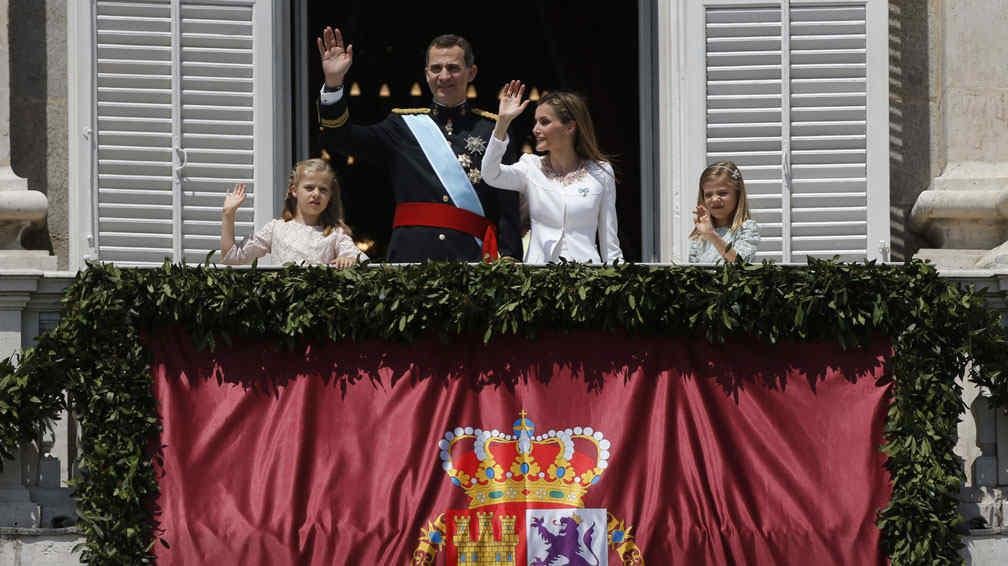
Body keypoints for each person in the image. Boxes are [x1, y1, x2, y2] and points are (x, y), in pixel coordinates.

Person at [315, 27, 521, 262]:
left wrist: (509, 258)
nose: (444, 76)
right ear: (426, 74)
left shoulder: (493, 129)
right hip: (411, 259)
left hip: (471, 259)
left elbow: (508, 205)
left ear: (471, 72)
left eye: (453, 68)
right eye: (436, 68)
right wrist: (333, 83)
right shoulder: (401, 126)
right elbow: (340, 138)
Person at [480, 82, 622, 264]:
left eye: (544, 122)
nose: (535, 130)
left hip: (586, 280)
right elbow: (490, 174)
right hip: (539, 278)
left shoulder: (600, 172)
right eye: (536, 122)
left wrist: (617, 280)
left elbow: (610, 243)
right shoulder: (530, 167)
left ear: (570, 127)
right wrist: (503, 123)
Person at [220, 158, 364, 267]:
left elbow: (360, 260)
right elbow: (232, 257)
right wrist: (228, 214)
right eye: (309, 188)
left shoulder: (335, 234)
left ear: (330, 196)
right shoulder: (276, 229)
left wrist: (348, 260)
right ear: (294, 191)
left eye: (323, 190)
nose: (316, 194)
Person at [688, 161, 760, 263]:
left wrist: (712, 235)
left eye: (722, 193)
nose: (714, 199)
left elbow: (741, 264)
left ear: (737, 194)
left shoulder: (746, 229)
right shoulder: (701, 235)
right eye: (708, 195)